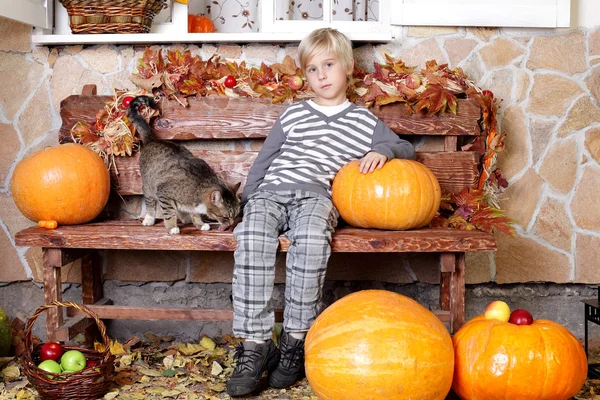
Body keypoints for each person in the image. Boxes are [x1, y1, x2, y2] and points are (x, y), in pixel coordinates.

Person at [226, 27, 416, 397]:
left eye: (328, 66)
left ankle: (295, 341)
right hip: (271, 193)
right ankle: (256, 345)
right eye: (312, 70)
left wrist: (384, 152)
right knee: (251, 238)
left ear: (347, 67)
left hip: (317, 198)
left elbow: (405, 147)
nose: (322, 76)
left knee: (312, 242)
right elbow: (263, 162)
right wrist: (248, 202)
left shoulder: (363, 122)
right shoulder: (294, 114)